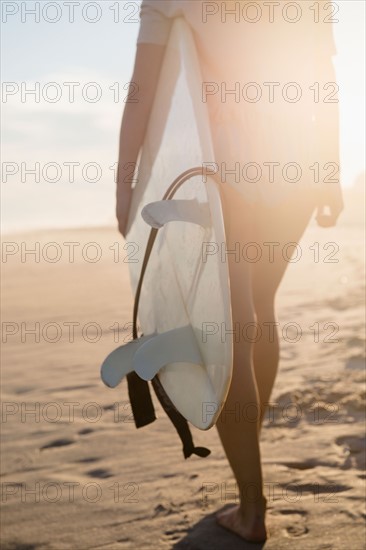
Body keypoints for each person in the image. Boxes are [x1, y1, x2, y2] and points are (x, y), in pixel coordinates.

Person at [116, 0, 343, 543]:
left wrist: (124, 184)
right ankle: (250, 457)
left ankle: (250, 507)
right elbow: (321, 79)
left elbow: (143, 89)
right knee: (257, 311)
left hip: (221, 169)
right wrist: (329, 171)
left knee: (230, 329)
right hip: (294, 166)